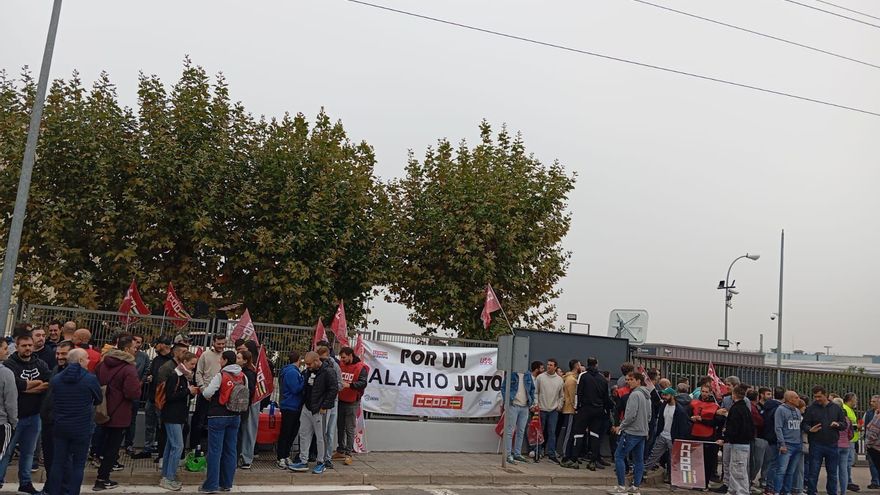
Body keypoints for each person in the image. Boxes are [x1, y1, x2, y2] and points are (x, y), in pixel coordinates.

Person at [0, 332, 51, 494]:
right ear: (17, 347)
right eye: (24, 345)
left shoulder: (40, 363)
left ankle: (25, 483)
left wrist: (27, 387)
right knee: (6, 453)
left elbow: (48, 382)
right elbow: (15, 387)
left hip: (34, 415)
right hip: (14, 417)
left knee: (29, 452)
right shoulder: (9, 365)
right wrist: (33, 385)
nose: (28, 348)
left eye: (30, 345)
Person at [47, 347, 102, 495]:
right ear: (80, 360)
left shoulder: (57, 379)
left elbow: (52, 399)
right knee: (78, 465)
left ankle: (54, 492)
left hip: (60, 426)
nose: (89, 361)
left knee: (58, 463)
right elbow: (98, 399)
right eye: (87, 358)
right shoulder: (90, 379)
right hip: (82, 427)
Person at [94, 335, 142, 491]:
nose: (136, 350)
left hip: (103, 409)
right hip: (120, 412)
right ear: (127, 349)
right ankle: (102, 479)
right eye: (134, 347)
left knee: (103, 442)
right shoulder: (129, 368)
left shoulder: (103, 364)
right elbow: (132, 393)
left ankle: (100, 471)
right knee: (113, 447)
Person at [201, 350, 246, 493]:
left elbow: (207, 393)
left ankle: (211, 485)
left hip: (218, 416)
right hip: (235, 416)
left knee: (215, 451)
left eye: (221, 359)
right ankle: (226, 483)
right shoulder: (242, 376)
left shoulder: (221, 375)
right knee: (230, 450)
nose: (219, 361)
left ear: (226, 360)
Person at [290, 351, 338, 475]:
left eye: (309, 364)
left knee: (321, 437)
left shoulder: (328, 372)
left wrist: (325, 406)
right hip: (307, 407)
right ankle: (303, 460)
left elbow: (333, 390)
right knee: (304, 434)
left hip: (320, 409)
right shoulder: (308, 372)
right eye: (306, 364)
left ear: (317, 361)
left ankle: (321, 462)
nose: (307, 366)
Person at [159, 351, 199, 491]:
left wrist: (191, 393)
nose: (193, 367)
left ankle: (166, 475)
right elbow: (170, 396)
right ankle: (169, 477)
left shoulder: (185, 377)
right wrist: (188, 391)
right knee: (178, 446)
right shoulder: (175, 375)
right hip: (172, 416)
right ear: (184, 362)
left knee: (170, 446)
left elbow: (182, 396)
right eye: (192, 364)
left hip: (179, 416)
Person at [608, 371, 651, 495]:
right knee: (638, 460)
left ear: (638, 381)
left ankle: (621, 487)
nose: (629, 382)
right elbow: (649, 416)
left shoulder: (634, 395)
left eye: (631, 379)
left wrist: (620, 427)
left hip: (631, 432)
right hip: (642, 432)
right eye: (628, 379)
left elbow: (630, 415)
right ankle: (635, 487)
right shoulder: (647, 396)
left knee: (619, 456)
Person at [133, 335, 174, 459]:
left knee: (162, 426)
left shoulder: (172, 360)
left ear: (163, 345)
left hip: (162, 398)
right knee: (149, 425)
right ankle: (148, 448)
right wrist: (150, 377)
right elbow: (150, 372)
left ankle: (162, 451)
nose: (155, 346)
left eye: (157, 344)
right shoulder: (156, 359)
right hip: (151, 397)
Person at [39, 340, 72, 491]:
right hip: (48, 422)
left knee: (63, 460)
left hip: (61, 423)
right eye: (58, 353)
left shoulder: (74, 374)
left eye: (64, 354)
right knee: (49, 458)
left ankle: (63, 489)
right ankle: (50, 487)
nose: (59, 356)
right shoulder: (55, 369)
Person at [802, 384, 848, 495]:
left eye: (819, 396)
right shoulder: (811, 409)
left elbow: (844, 424)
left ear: (825, 395)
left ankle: (832, 492)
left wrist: (838, 424)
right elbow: (804, 424)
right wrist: (809, 429)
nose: (817, 399)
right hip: (816, 444)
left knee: (832, 473)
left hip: (832, 444)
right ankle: (812, 492)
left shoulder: (836, 408)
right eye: (815, 397)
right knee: (813, 472)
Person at [568, 357, 612, 470]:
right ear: (597, 364)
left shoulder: (583, 376)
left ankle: (574, 460)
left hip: (585, 409)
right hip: (598, 410)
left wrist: (577, 408)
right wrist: (606, 410)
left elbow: (578, 393)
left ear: (587, 364)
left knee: (578, 434)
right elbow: (606, 398)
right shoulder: (602, 379)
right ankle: (593, 461)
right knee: (595, 435)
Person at [644, 387, 690, 482]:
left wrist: (679, 439)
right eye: (663, 394)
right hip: (663, 435)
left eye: (666, 395)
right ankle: (643, 471)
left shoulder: (679, 410)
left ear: (672, 396)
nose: (663, 397)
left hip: (673, 438)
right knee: (654, 455)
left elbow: (683, 427)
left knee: (673, 460)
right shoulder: (664, 405)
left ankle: (674, 479)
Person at [718, 383, 754, 495]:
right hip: (744, 443)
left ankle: (741, 491)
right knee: (735, 469)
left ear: (734, 395)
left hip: (738, 443)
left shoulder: (736, 409)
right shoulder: (745, 408)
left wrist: (726, 437)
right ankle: (733, 489)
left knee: (738, 470)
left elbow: (733, 427)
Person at [192, 333, 226, 451]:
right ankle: (195, 447)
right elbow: (198, 373)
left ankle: (209, 448)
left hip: (218, 396)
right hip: (204, 393)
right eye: (218, 343)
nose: (221, 346)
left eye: (223, 343)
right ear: (213, 342)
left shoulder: (225, 356)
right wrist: (203, 389)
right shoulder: (205, 355)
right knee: (199, 422)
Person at [336, 346, 368, 465]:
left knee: (349, 428)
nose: (342, 360)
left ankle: (349, 454)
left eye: (344, 357)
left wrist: (350, 385)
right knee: (340, 427)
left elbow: (363, 383)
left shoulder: (360, 367)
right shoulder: (341, 365)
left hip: (352, 402)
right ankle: (340, 450)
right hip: (340, 400)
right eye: (341, 357)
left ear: (350, 355)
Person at [500, 367, 535, 464]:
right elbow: (503, 388)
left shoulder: (528, 374)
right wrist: (507, 400)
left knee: (521, 431)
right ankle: (508, 454)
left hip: (525, 406)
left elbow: (532, 389)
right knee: (510, 430)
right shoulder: (511, 373)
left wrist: (531, 400)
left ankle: (517, 453)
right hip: (513, 405)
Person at [691, 384, 723, 489]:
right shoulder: (693, 403)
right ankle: (696, 482)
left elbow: (717, 423)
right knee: (696, 460)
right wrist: (692, 418)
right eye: (703, 391)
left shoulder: (715, 406)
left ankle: (705, 483)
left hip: (708, 436)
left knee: (707, 461)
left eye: (706, 392)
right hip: (695, 434)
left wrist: (702, 420)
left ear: (710, 393)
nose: (704, 393)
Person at [316, 344, 342, 469]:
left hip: (333, 402)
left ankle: (327, 458)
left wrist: (332, 389)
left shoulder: (335, 366)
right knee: (322, 432)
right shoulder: (317, 366)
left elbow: (340, 384)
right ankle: (320, 457)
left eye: (323, 358)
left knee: (330, 432)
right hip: (323, 402)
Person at [123, 333, 150, 455]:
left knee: (132, 419)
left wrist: (141, 382)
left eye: (139, 342)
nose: (137, 344)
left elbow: (146, 370)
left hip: (136, 391)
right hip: (123, 391)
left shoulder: (144, 356)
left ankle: (129, 444)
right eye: (135, 341)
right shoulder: (124, 355)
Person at [277, 350, 304, 469]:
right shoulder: (292, 372)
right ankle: (281, 457)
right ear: (299, 359)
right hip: (290, 405)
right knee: (287, 432)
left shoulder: (291, 371)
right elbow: (295, 388)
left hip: (292, 405)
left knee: (291, 432)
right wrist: (304, 381)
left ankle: (285, 454)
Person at [774, 390, 804, 495]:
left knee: (791, 472)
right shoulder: (781, 410)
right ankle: (777, 491)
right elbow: (778, 428)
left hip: (797, 445)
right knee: (781, 470)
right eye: (796, 397)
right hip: (787, 444)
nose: (798, 399)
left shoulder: (797, 411)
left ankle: (786, 491)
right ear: (790, 399)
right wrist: (782, 444)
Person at [534, 357, 563, 462]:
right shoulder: (540, 378)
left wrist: (559, 406)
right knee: (539, 432)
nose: (548, 366)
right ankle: (537, 452)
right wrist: (536, 404)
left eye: (551, 365)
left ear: (555, 367)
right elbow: (536, 392)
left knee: (552, 432)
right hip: (541, 409)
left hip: (553, 410)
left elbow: (561, 395)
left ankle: (551, 453)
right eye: (548, 364)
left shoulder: (559, 380)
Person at [235, 348, 257, 469]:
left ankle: (241, 457)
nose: (236, 359)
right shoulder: (237, 371)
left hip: (243, 407)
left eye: (239, 358)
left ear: (245, 361)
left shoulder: (248, 374)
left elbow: (250, 391)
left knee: (241, 433)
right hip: (238, 407)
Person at [761, 387, 784, 495]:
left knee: (770, 463)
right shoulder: (780, 409)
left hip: (768, 436)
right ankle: (771, 487)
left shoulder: (767, 407)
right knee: (775, 464)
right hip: (776, 438)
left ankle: (768, 485)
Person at [558, 359, 580, 467]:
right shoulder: (572, 380)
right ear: (576, 366)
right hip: (570, 409)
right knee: (568, 433)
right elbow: (572, 396)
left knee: (570, 433)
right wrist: (575, 408)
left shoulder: (571, 378)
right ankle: (565, 455)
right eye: (579, 365)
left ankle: (567, 453)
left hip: (569, 409)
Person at [0, 338, 18, 473]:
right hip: (2, 423)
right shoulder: (6, 373)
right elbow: (11, 401)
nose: (8, 352)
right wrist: (14, 422)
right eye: (5, 348)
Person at [832, 397, 854, 495]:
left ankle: (835, 491)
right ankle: (843, 492)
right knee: (843, 470)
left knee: (835, 470)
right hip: (846, 445)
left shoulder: (834, 419)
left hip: (836, 445)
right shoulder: (847, 419)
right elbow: (851, 434)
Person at [842, 393, 860, 493]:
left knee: (848, 463)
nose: (856, 401)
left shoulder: (849, 409)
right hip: (848, 440)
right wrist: (857, 426)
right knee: (847, 463)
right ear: (850, 399)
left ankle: (848, 480)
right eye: (855, 399)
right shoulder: (845, 409)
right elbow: (846, 425)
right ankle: (847, 481)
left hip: (851, 440)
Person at [866, 395, 880, 490]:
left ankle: (876, 482)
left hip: (875, 445)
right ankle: (875, 481)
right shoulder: (870, 413)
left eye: (874, 402)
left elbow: (873, 431)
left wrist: (869, 443)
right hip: (873, 445)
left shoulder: (877, 416)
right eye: (871, 401)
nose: (872, 403)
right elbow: (867, 426)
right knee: (873, 464)